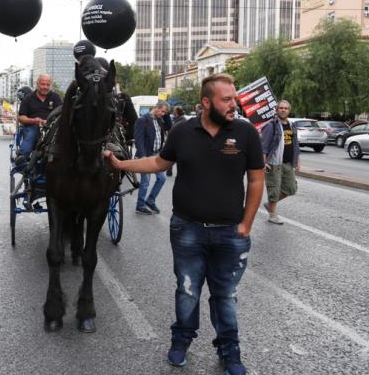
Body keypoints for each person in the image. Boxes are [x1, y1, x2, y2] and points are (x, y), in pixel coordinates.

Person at [103, 73, 264, 375]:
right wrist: (122, 164)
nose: (234, 105)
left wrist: (246, 224)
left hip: (231, 233)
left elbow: (256, 179)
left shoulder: (245, 133)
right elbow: (158, 163)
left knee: (225, 295)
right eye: (226, 99)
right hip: (187, 230)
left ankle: (230, 351)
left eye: (234, 98)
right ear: (206, 102)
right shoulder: (181, 131)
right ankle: (181, 341)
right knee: (187, 290)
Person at [261, 100, 299, 225]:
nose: (283, 110)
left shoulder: (291, 125)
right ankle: (272, 215)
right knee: (274, 189)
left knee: (291, 188)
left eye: (286, 108)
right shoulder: (271, 125)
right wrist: (263, 162)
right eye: (281, 108)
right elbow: (265, 145)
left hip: (288, 163)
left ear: (289, 110)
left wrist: (297, 160)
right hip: (274, 163)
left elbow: (295, 144)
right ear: (277, 109)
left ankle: (270, 204)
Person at [133, 100, 171, 215]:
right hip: (146, 155)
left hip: (156, 154)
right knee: (145, 182)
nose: (163, 114)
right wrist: (143, 156)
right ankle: (140, 206)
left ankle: (150, 200)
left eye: (165, 112)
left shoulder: (160, 119)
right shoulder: (142, 120)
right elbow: (138, 139)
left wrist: (166, 114)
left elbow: (169, 126)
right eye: (163, 111)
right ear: (156, 108)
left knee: (162, 178)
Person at [17, 74, 62, 159]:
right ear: (37, 84)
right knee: (31, 135)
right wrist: (35, 121)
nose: (45, 87)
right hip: (33, 126)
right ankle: (22, 157)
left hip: (52, 127)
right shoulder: (28, 98)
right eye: (43, 84)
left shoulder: (56, 97)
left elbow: (61, 114)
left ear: (50, 85)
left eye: (47, 85)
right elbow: (21, 118)